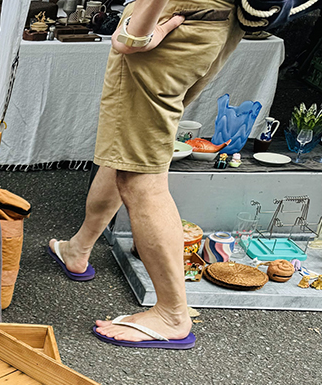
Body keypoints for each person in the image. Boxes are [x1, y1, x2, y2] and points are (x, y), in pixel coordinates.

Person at [48, 0, 243, 349]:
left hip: (175, 20)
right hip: (216, 22)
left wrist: (138, 30)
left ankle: (171, 314)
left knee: (142, 178)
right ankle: (79, 248)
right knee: (129, 151)